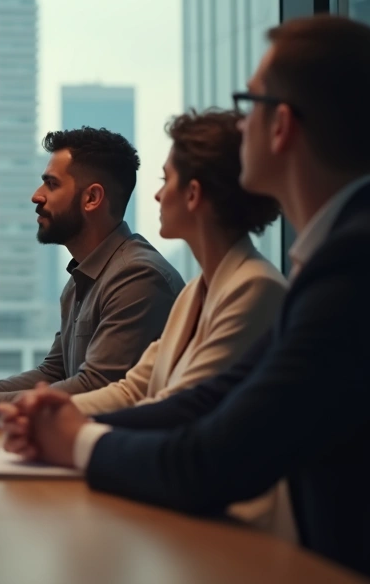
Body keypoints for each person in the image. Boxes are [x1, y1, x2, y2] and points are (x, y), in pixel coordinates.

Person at [0, 15, 370, 579]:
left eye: (250, 105)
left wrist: (74, 440)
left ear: (282, 128)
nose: (239, 123)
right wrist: (55, 419)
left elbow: (209, 456)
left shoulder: (351, 268)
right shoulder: (327, 260)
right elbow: (199, 400)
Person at [0, 127, 183, 427]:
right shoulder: (82, 277)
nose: (36, 196)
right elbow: (54, 373)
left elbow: (95, 387)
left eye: (51, 184)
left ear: (92, 198)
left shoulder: (138, 277)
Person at [71, 109, 285, 415]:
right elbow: (133, 390)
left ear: (193, 194)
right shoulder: (195, 291)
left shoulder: (255, 287)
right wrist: (45, 413)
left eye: (166, 179)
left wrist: (61, 425)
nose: (158, 195)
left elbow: (178, 408)